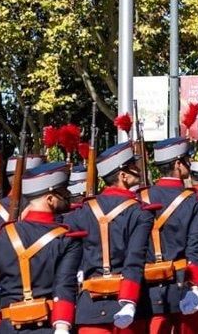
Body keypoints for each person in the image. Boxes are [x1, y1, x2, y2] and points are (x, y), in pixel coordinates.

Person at [0, 162, 80, 334]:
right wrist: (62, 326)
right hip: (48, 326)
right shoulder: (67, 239)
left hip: (9, 327)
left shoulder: (1, 235)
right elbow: (64, 287)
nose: (68, 194)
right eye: (63, 192)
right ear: (50, 199)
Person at [64, 143, 147, 334]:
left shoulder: (80, 213)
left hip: (89, 306)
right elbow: (135, 259)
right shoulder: (139, 212)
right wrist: (129, 300)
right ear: (123, 176)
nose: (137, 169)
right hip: (129, 306)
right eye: (133, 167)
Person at [140, 138, 198, 334]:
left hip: (147, 286)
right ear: (178, 164)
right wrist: (194, 286)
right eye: (187, 159)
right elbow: (195, 248)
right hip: (182, 283)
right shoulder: (195, 201)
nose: (190, 163)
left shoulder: (140, 197)